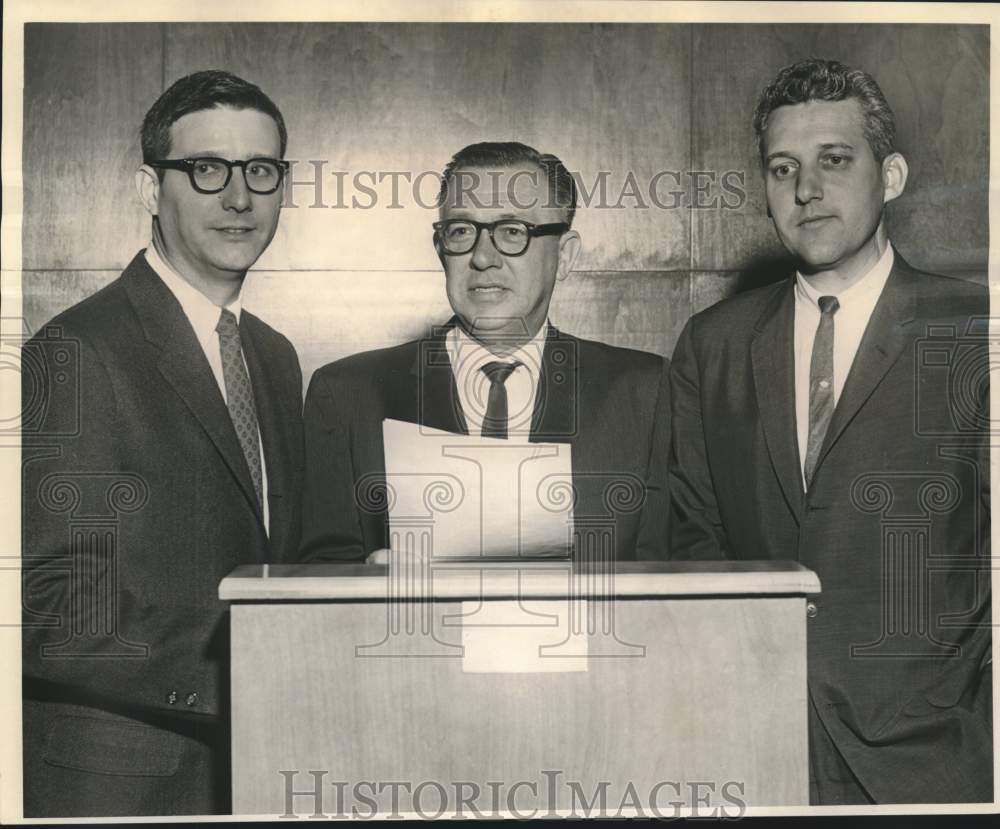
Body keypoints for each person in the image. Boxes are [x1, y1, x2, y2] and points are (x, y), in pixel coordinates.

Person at [669, 58, 991, 804]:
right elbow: (694, 543)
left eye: (834, 160)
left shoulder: (973, 332)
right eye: (783, 168)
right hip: (751, 748)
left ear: (894, 175)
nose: (806, 189)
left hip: (932, 761)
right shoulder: (712, 344)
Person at [21, 69, 304, 816]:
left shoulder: (273, 356)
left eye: (262, 171)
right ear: (151, 189)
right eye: (206, 170)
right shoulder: (77, 350)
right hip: (122, 782)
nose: (239, 198)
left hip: (261, 765)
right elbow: (52, 610)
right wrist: (250, 669)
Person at [300, 141, 670, 564]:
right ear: (441, 250)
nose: (482, 256)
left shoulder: (645, 392)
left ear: (564, 256)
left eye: (512, 231)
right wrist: (367, 588)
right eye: (461, 231)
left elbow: (662, 584)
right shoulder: (348, 394)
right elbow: (318, 581)